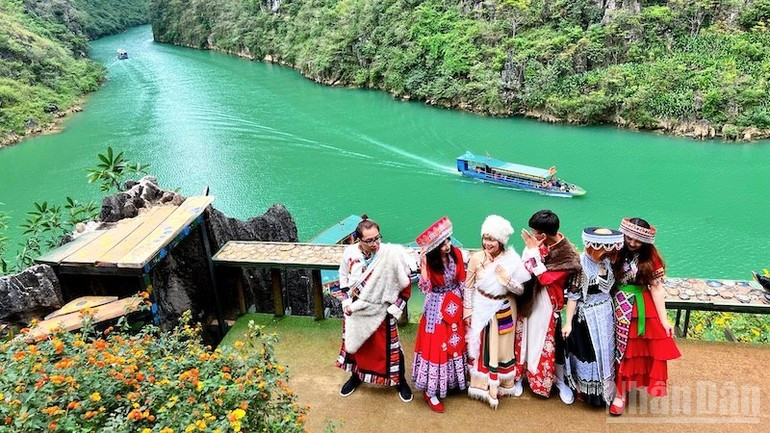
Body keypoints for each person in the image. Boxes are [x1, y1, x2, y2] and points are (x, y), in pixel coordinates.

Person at [334, 215, 413, 402]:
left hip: (382, 311)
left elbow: (405, 282)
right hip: (357, 310)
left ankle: (399, 380)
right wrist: (346, 303)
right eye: (369, 240)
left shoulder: (390, 254)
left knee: (392, 348)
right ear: (358, 239)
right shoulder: (350, 254)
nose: (375, 243)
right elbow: (343, 280)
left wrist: (395, 308)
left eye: (378, 238)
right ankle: (356, 376)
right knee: (357, 347)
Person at [610, 218, 681, 416]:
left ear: (646, 242)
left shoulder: (651, 258)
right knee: (610, 346)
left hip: (637, 307)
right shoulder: (615, 249)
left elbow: (656, 289)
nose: (631, 243)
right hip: (611, 303)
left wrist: (664, 320)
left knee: (628, 350)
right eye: (628, 238)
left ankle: (620, 394)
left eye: (637, 240)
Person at [514, 210, 582, 403]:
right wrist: (531, 251)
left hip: (548, 303)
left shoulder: (568, 256)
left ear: (542, 235)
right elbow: (525, 268)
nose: (531, 234)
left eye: (534, 231)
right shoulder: (538, 245)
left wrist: (532, 251)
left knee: (546, 343)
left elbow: (544, 279)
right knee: (525, 338)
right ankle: (520, 376)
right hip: (529, 298)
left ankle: (556, 381)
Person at [464, 215, 532, 409]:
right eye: (485, 238)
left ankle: (500, 384)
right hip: (482, 305)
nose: (487, 243)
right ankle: (481, 384)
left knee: (502, 347)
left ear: (501, 241)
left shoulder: (512, 260)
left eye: (492, 239)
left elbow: (520, 290)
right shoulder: (476, 258)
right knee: (482, 345)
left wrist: (507, 280)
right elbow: (468, 287)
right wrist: (467, 311)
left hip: (504, 306)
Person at [412, 217, 467, 413]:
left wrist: (467, 307)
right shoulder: (429, 262)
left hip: (455, 303)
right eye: (443, 243)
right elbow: (426, 287)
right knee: (436, 344)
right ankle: (431, 390)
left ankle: (451, 382)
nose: (448, 246)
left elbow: (462, 281)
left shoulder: (458, 254)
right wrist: (424, 265)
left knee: (455, 340)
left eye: (449, 240)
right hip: (435, 307)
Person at [562, 227, 623, 407]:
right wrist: (568, 323)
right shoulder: (580, 265)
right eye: (604, 249)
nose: (608, 253)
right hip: (586, 316)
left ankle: (605, 390)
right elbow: (573, 296)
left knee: (606, 351)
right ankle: (587, 392)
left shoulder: (608, 263)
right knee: (589, 353)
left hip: (606, 313)